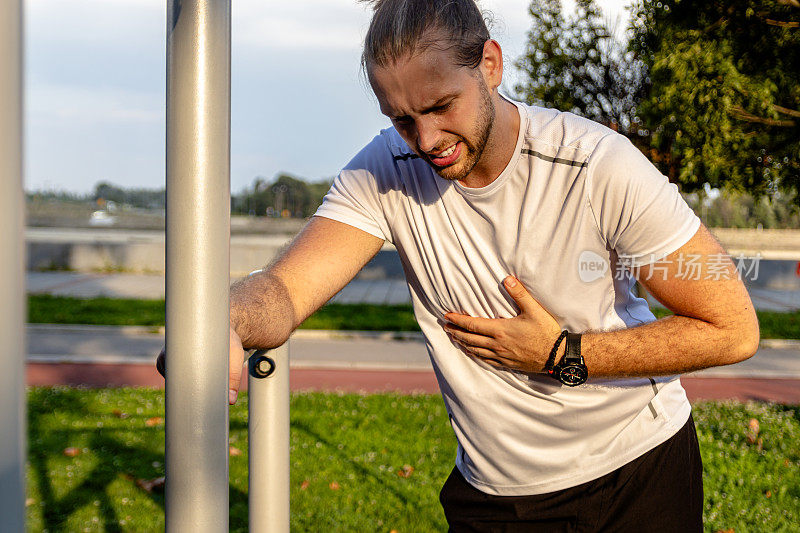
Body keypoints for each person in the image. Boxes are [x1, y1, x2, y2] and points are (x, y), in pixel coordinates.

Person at [160, 0, 760, 530]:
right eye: (401, 118)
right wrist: (218, 324)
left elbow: (731, 327)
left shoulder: (596, 165)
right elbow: (283, 292)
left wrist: (563, 353)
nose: (425, 139)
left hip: (637, 474)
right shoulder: (386, 169)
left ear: (491, 65)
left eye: (441, 105)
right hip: (495, 496)